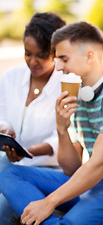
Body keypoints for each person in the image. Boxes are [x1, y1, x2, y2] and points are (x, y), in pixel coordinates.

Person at [0, 21, 103, 225]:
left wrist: (48, 202)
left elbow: (100, 164)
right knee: (11, 173)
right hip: (96, 184)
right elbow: (71, 168)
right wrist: (62, 129)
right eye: (57, 60)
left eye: (63, 59)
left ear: (89, 56)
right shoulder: (79, 95)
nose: (58, 67)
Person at [0, 12, 66, 224]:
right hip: (7, 163)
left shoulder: (67, 84)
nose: (33, 61)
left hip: (47, 169)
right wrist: (5, 129)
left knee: (1, 210)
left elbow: (71, 136)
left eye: (41, 55)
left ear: (56, 52)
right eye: (28, 54)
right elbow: (2, 114)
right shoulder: (11, 77)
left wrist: (32, 151)